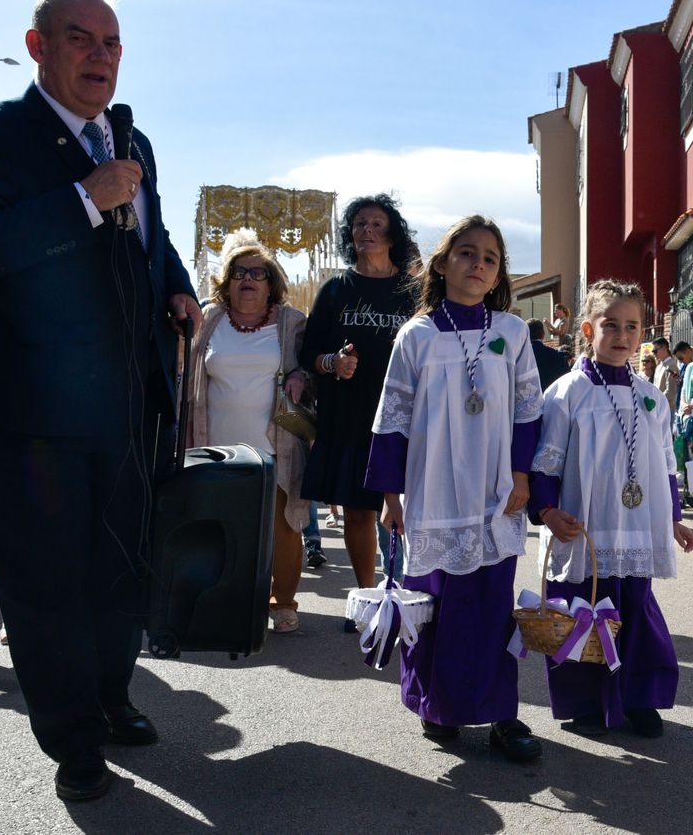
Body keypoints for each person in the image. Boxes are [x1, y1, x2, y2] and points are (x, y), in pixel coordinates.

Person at [0, 0, 201, 801]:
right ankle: (72, 742)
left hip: (128, 407)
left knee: (119, 572)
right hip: (32, 415)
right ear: (37, 47)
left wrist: (179, 283)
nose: (101, 56)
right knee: (47, 582)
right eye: (81, 38)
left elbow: (148, 243)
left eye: (112, 43)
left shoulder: (133, 143)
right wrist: (84, 199)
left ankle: (111, 695)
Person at [367, 215, 544, 761]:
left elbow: (528, 412)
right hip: (433, 492)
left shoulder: (512, 333)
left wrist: (520, 476)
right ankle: (435, 704)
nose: (478, 264)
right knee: (434, 605)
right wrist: (389, 495)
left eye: (490, 258)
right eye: (467, 253)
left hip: (494, 494)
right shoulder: (415, 335)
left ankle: (501, 713)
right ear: (442, 264)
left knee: (492, 605)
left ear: (497, 276)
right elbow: (392, 417)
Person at [530, 279, 693, 738]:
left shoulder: (652, 397)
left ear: (642, 332)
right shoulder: (566, 393)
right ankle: (584, 703)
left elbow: (665, 463)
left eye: (632, 326)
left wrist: (675, 518)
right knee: (581, 612)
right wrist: (545, 510)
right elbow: (546, 460)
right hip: (583, 526)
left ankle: (640, 699)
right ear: (588, 328)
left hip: (636, 527)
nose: (622, 335)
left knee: (635, 613)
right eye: (611, 325)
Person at [182, 234, 311, 633]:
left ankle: (284, 601)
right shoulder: (209, 319)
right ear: (227, 281)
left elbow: (308, 369)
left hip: (275, 446)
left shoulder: (292, 323)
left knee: (282, 527)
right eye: (240, 273)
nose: (248, 279)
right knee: (220, 526)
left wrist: (299, 375)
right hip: (216, 448)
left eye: (258, 272)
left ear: (271, 282)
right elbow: (186, 375)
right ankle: (224, 597)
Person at [300, 193, 419, 609]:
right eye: (359, 224)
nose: (367, 231)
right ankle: (370, 596)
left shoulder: (413, 291)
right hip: (348, 416)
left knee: (408, 512)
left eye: (377, 224)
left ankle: (405, 592)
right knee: (357, 512)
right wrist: (334, 362)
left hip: (407, 418)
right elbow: (308, 352)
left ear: (393, 235)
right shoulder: (335, 289)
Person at [527, 317, 571, 394]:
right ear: (543, 335)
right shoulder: (558, 357)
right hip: (552, 402)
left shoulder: (517, 357)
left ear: (525, 335)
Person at [650, 337, 681, 414]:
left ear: (664, 348)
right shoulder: (659, 366)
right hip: (658, 407)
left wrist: (655, 401)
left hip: (667, 409)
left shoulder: (671, 365)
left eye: (655, 351)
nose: (654, 354)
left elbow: (671, 391)